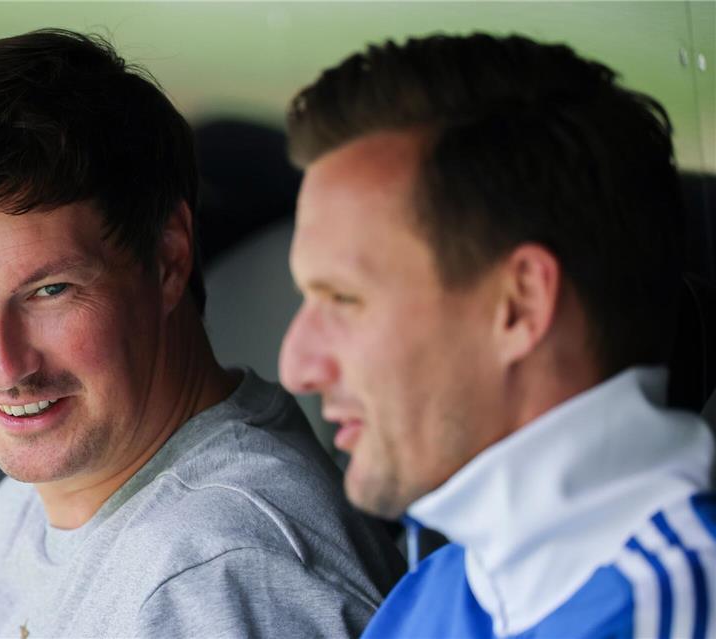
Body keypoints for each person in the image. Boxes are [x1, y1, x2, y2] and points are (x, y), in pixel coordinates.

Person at [0, 28, 401, 638]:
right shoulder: (34, 501)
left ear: (168, 257)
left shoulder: (215, 578)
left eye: (50, 291)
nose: (3, 368)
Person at [279, 33, 715, 638]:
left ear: (520, 304)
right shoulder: (432, 596)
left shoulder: (679, 612)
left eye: (344, 300)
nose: (297, 365)